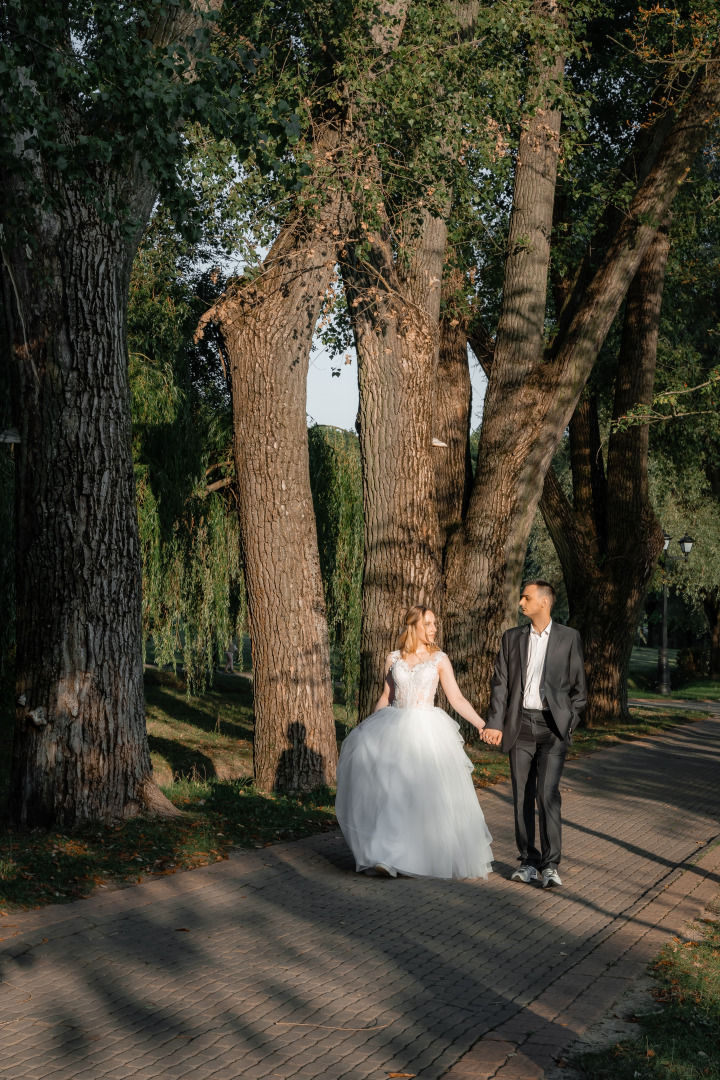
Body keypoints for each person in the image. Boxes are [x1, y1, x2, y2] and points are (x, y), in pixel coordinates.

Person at [335, 605, 493, 880]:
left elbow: (456, 699)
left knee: (419, 794)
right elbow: (387, 695)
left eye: (435, 624)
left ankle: (416, 857)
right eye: (429, 624)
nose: (434, 629)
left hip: (426, 730)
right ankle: (386, 857)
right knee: (389, 792)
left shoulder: (439, 659)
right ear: (414, 626)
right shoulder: (393, 658)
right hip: (393, 726)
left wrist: (482, 724)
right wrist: (367, 731)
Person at [481, 580, 586, 888]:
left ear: (544, 602)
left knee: (547, 794)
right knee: (522, 795)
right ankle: (528, 861)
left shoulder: (569, 638)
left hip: (553, 729)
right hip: (521, 726)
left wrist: (569, 723)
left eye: (526, 598)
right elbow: (500, 684)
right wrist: (496, 723)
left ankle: (551, 865)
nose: (521, 603)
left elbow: (580, 691)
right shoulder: (512, 638)